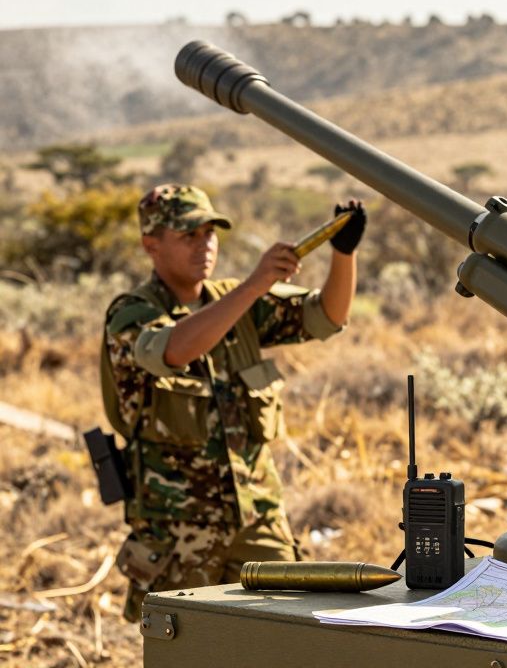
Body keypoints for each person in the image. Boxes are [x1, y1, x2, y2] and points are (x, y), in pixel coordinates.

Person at [101, 184, 366, 621]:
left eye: (210, 233)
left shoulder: (235, 298)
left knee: (291, 637)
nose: (204, 244)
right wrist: (255, 285)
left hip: (258, 520)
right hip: (179, 534)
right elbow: (175, 349)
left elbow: (326, 317)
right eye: (189, 235)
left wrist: (344, 254)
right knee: (184, 647)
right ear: (152, 245)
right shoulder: (132, 314)